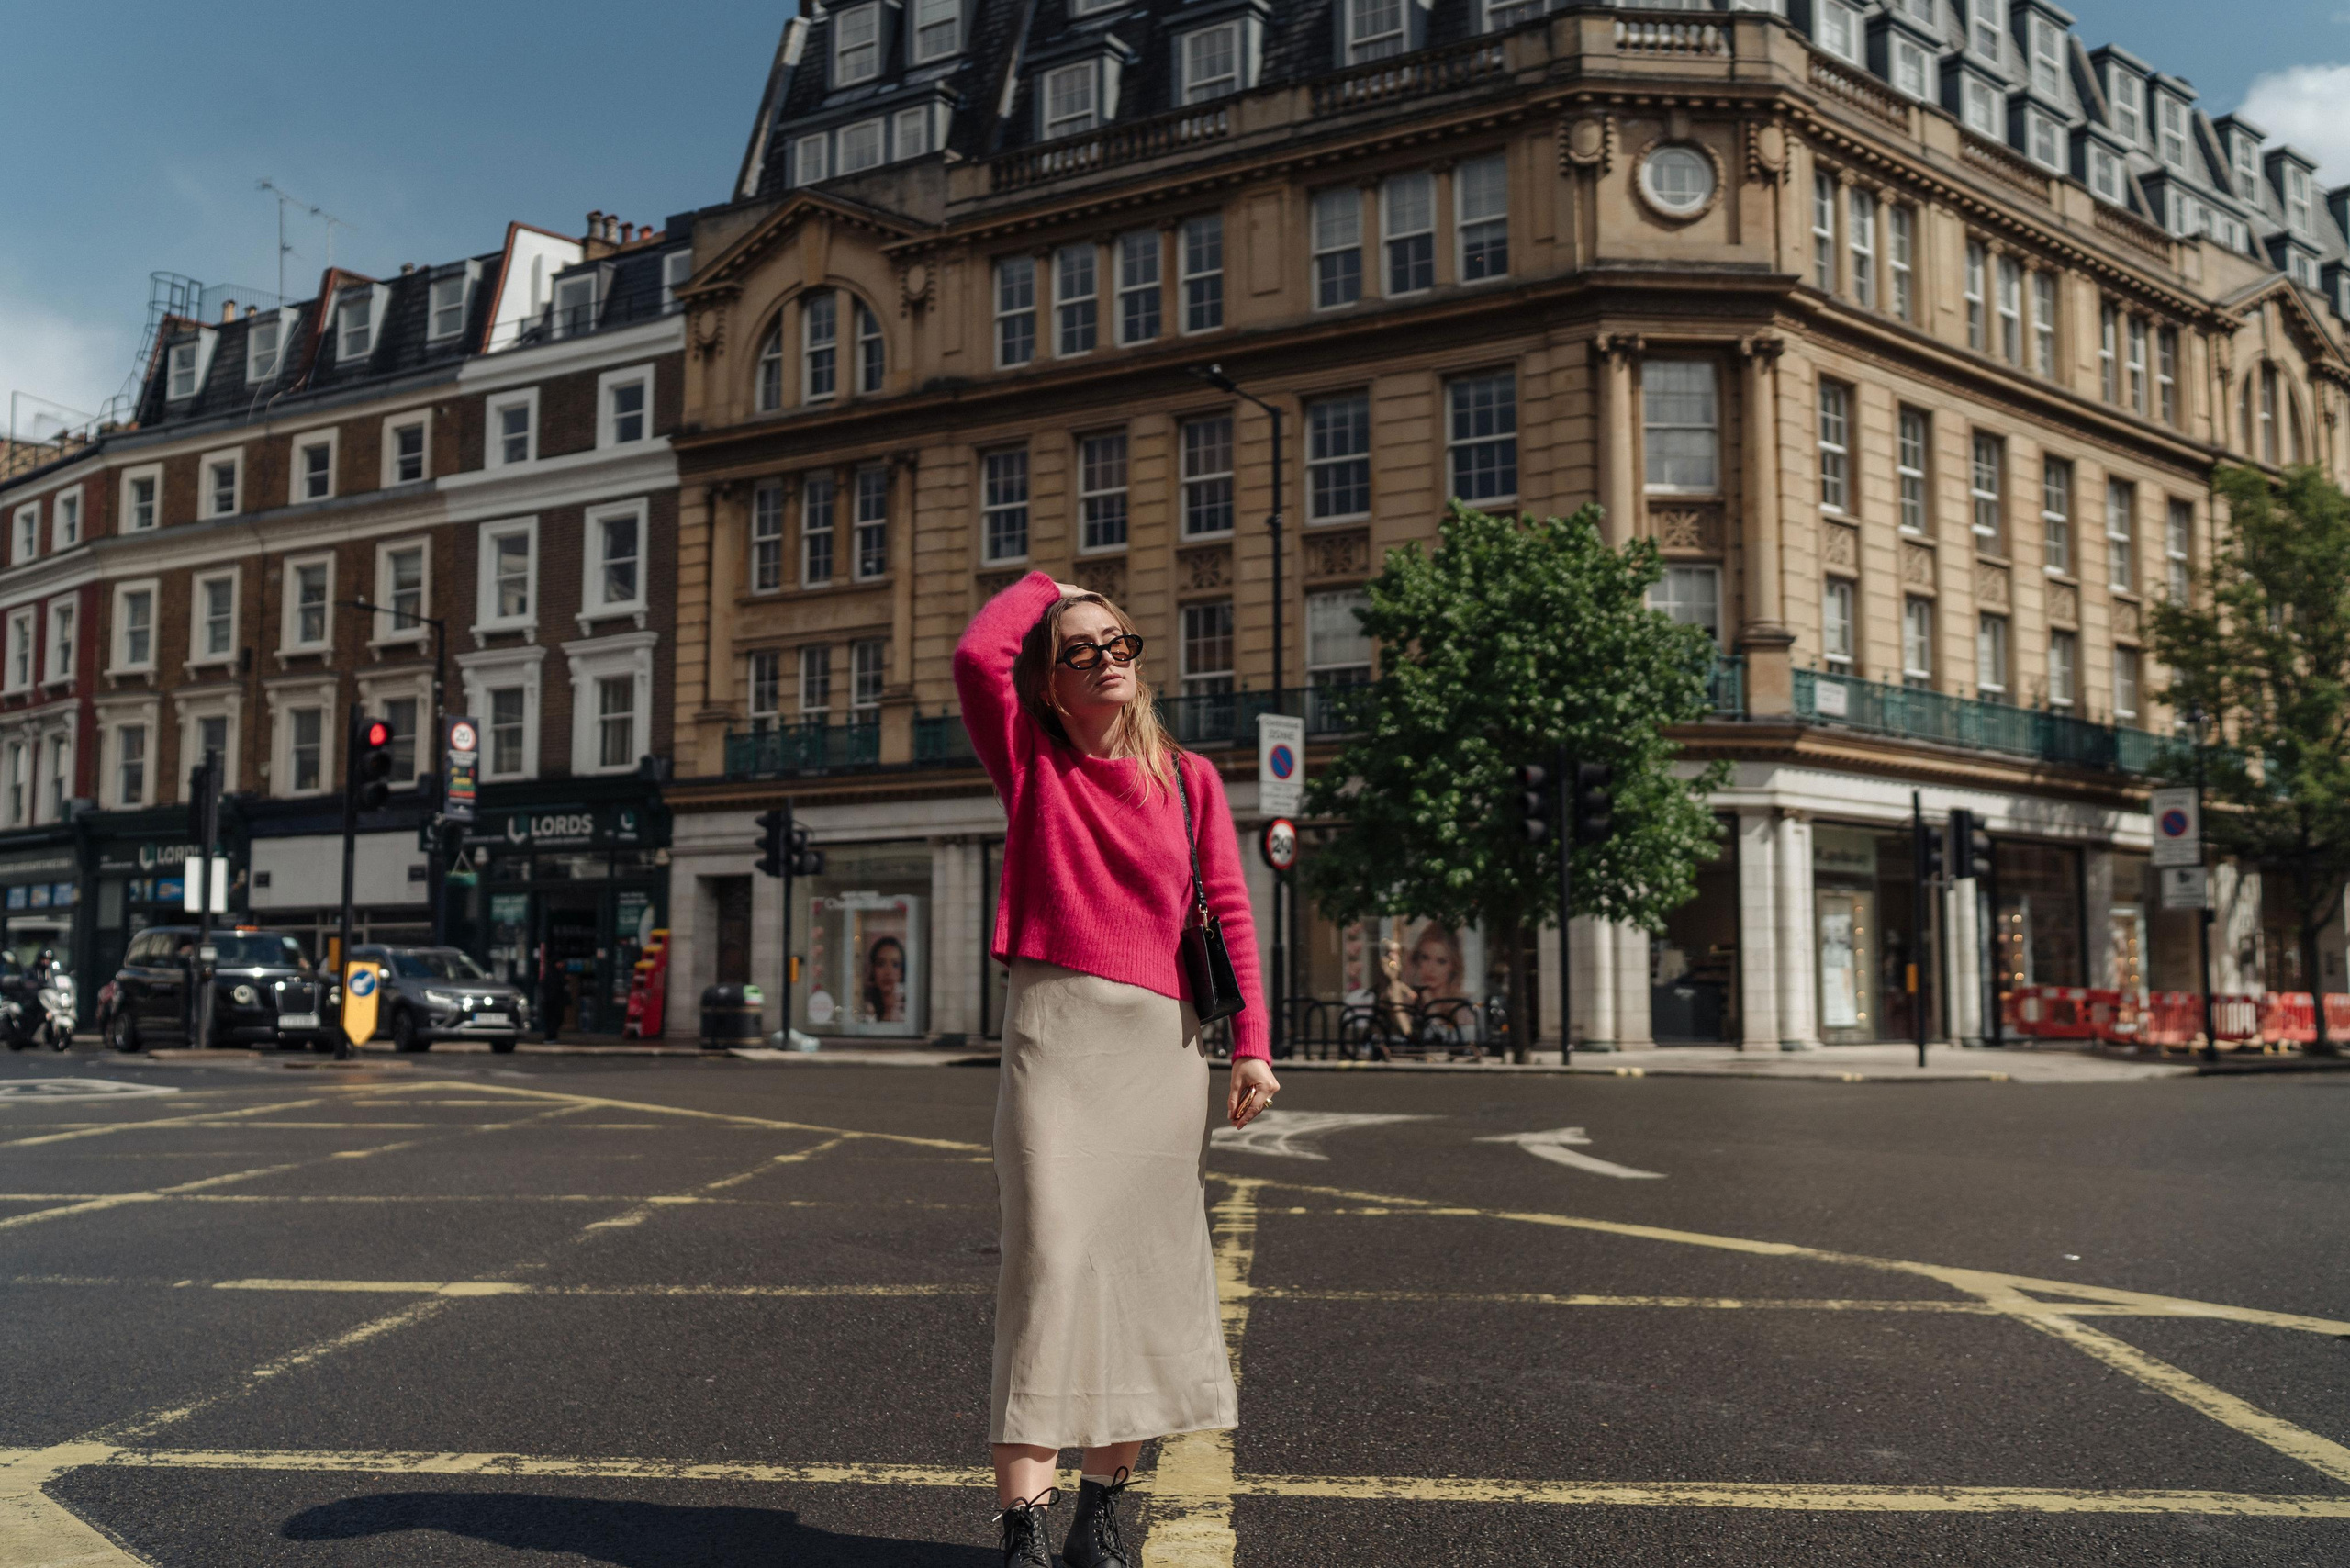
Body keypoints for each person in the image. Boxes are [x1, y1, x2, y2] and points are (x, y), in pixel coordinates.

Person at [955, 571, 1279, 1568]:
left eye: (1120, 643)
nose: (1106, 659)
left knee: (1141, 1276)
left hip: (1163, 1044)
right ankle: (1023, 1521)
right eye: (1081, 649)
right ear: (1048, 684)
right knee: (1049, 1262)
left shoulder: (1189, 780)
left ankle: (1101, 1504)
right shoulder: (1033, 764)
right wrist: (1058, 585)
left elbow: (1227, 907)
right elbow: (976, 654)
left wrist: (1254, 1043)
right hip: (1057, 1034)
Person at [862, 934, 907, 1024]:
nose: (888, 972)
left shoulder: (909, 1016)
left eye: (895, 965)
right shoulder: (866, 1013)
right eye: (881, 964)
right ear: (873, 970)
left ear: (902, 972)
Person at [538, 951, 569, 1043]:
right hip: (551, 1001)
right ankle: (550, 1037)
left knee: (556, 1019)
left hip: (556, 1001)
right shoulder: (552, 974)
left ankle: (552, 1036)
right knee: (552, 1019)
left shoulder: (558, 973)